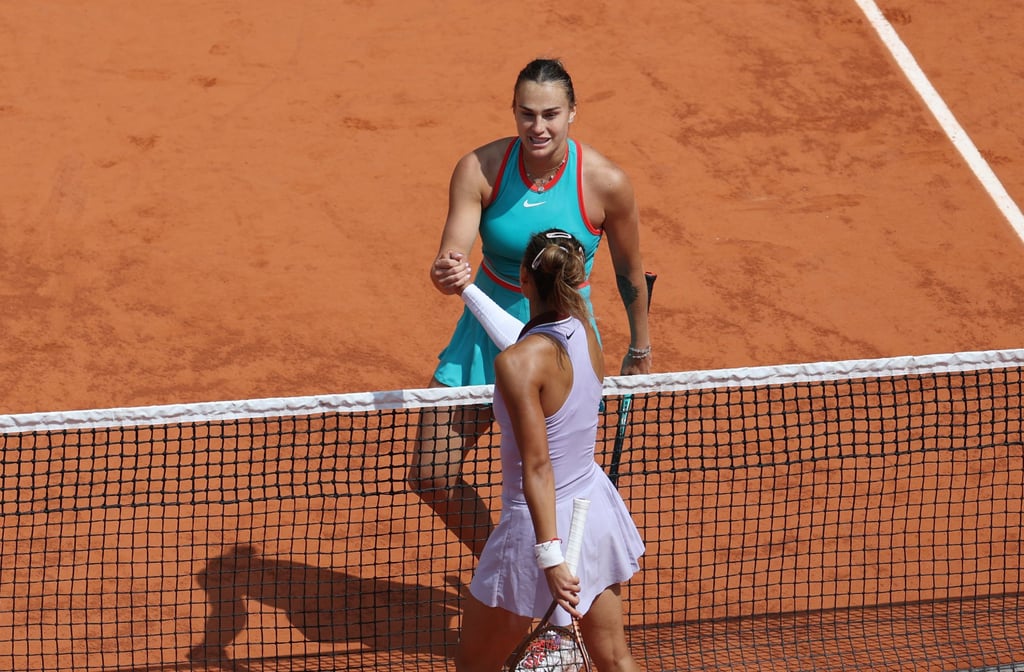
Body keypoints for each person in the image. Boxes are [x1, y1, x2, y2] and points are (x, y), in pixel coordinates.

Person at [409, 57, 652, 558]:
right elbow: (452, 251)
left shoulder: (605, 183)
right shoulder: (481, 169)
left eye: (550, 114)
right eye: (526, 114)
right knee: (433, 473)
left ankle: (562, 594)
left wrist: (640, 347)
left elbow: (630, 272)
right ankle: (510, 561)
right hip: (482, 336)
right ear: (514, 111)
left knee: (553, 486)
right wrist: (447, 270)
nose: (537, 127)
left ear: (572, 113)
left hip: (562, 346)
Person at [453, 229, 644, 672]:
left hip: (535, 530)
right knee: (615, 658)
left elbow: (536, 468)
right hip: (592, 512)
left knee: (473, 666)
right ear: (577, 279)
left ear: (522, 278)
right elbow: (523, 342)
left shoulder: (518, 363)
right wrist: (467, 291)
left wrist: (550, 559)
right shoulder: (583, 332)